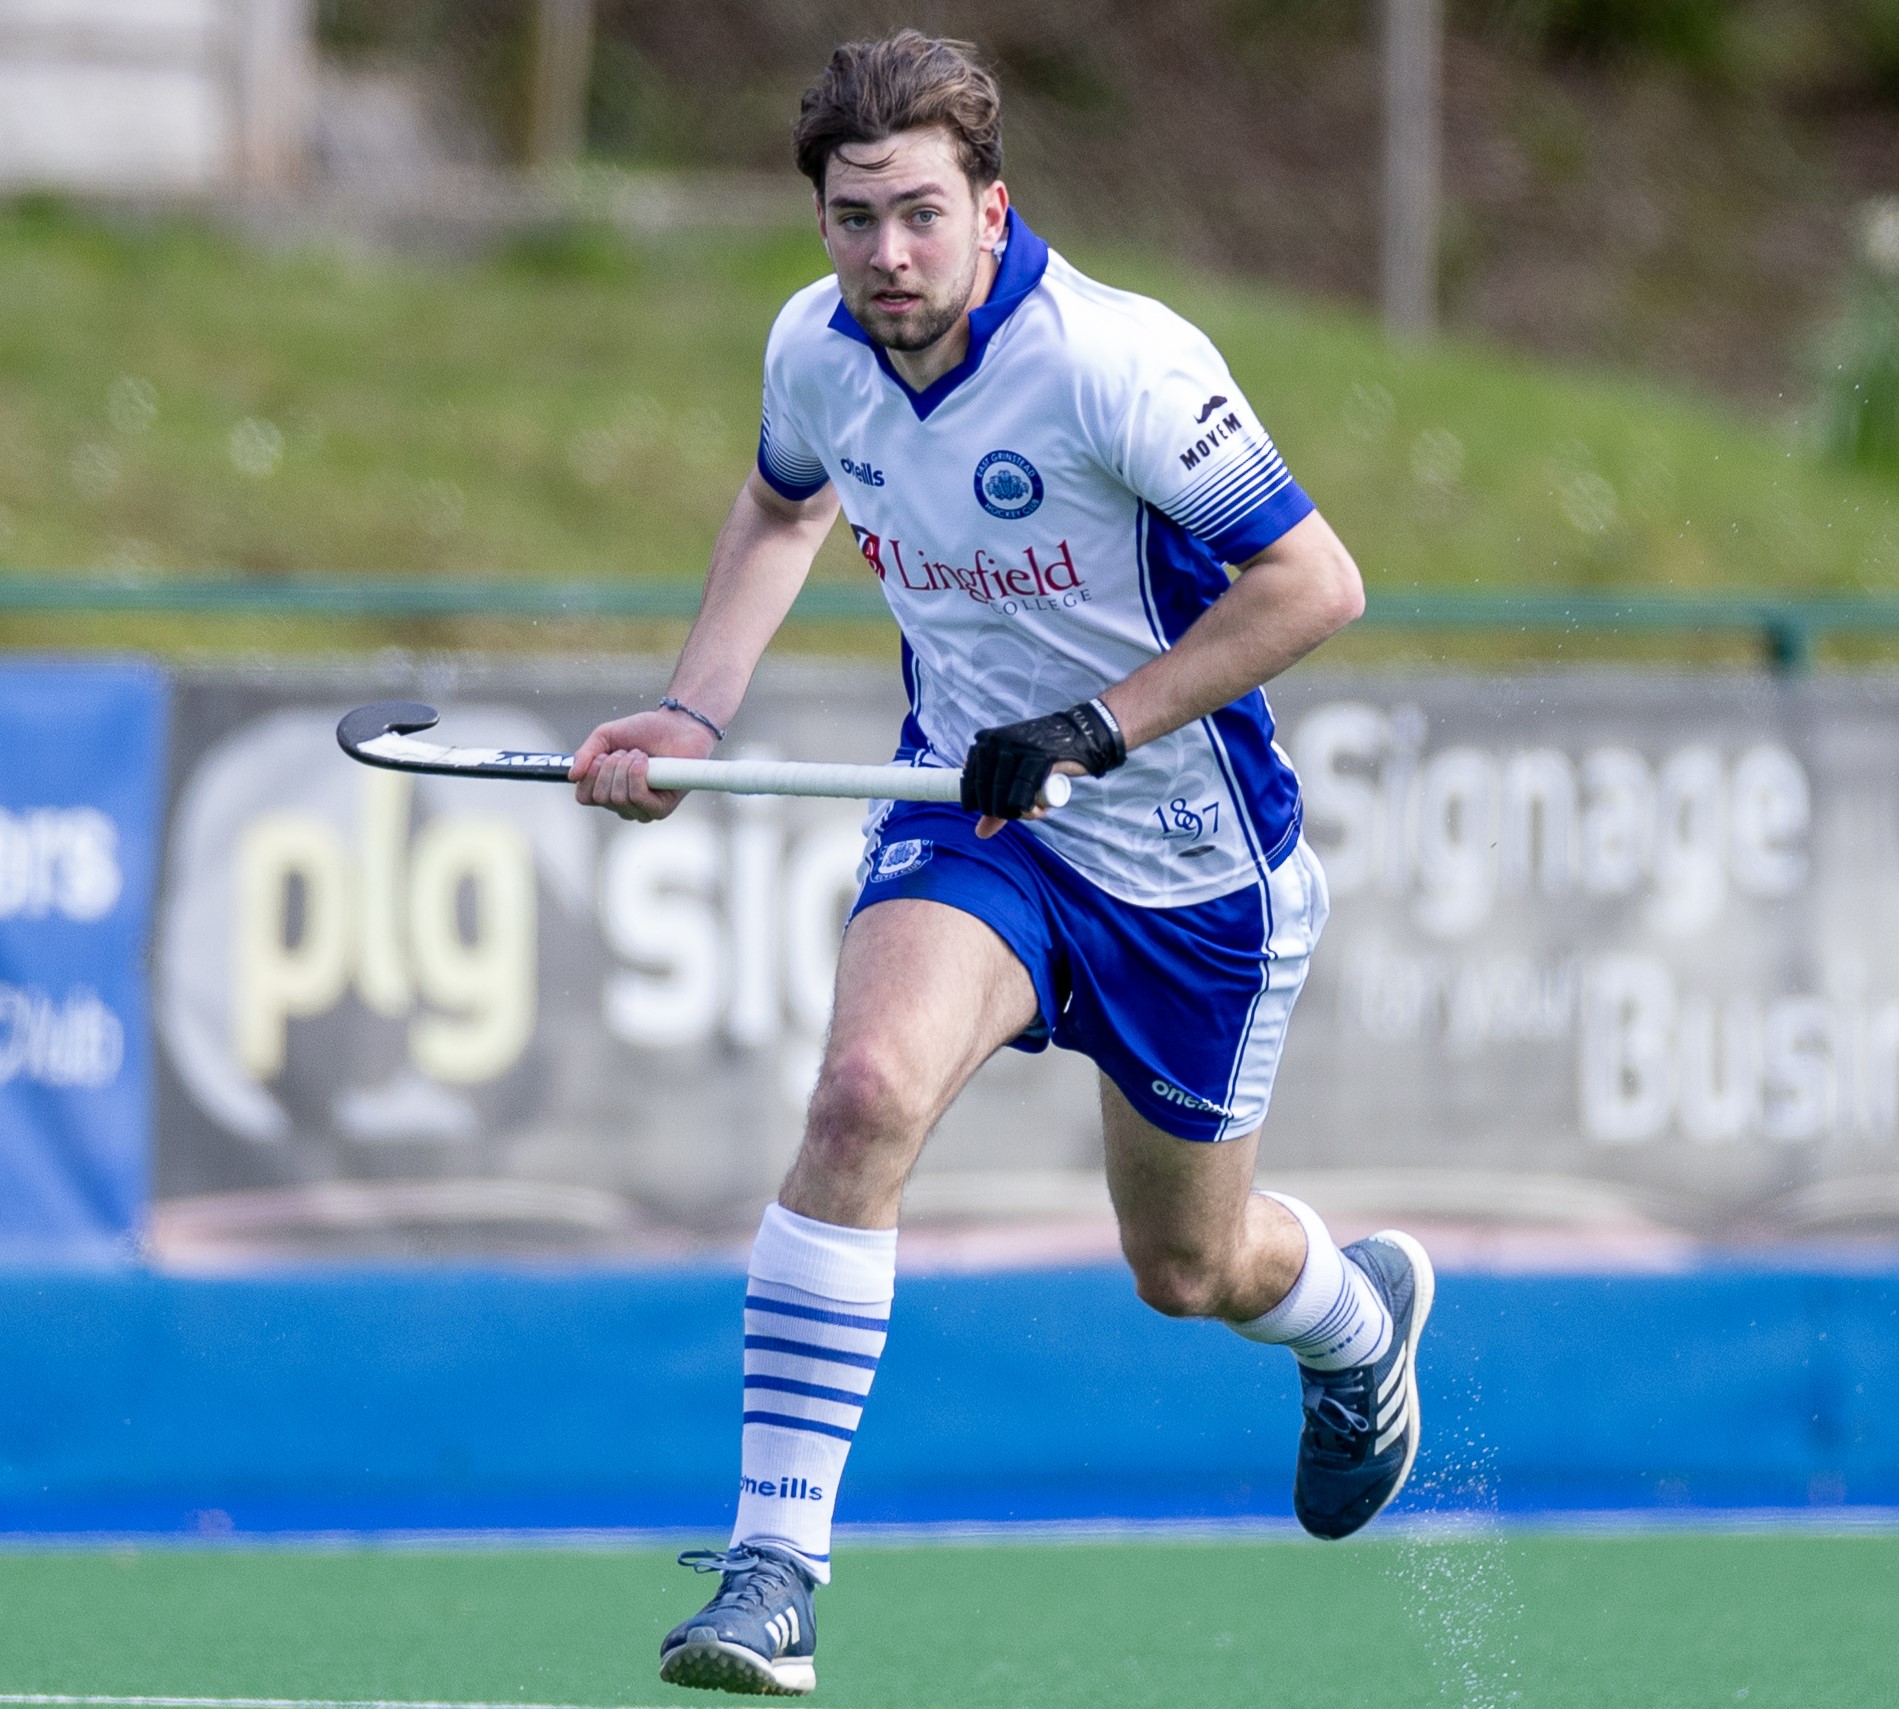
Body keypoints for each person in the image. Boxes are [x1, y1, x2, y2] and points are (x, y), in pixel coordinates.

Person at [571, 30, 1432, 1698]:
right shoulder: (815, 350)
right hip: (972, 815)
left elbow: (1317, 584)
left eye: (915, 215)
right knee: (860, 1097)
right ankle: (772, 1571)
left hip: (1187, 865)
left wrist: (1099, 727)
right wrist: (692, 707)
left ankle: (1355, 1318)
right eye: (849, 219)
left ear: (990, 204)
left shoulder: (1119, 362)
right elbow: (777, 507)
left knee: (1189, 1267)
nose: (884, 257)